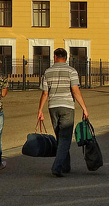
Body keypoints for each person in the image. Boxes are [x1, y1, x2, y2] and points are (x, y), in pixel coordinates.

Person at [37, 48, 91, 178]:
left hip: (53, 107)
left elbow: (45, 93)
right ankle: (57, 166)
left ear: (55, 56)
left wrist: (40, 110)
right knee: (65, 138)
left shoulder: (48, 72)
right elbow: (75, 91)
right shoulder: (71, 71)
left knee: (60, 137)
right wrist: (84, 107)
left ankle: (66, 166)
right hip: (67, 106)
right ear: (66, 58)